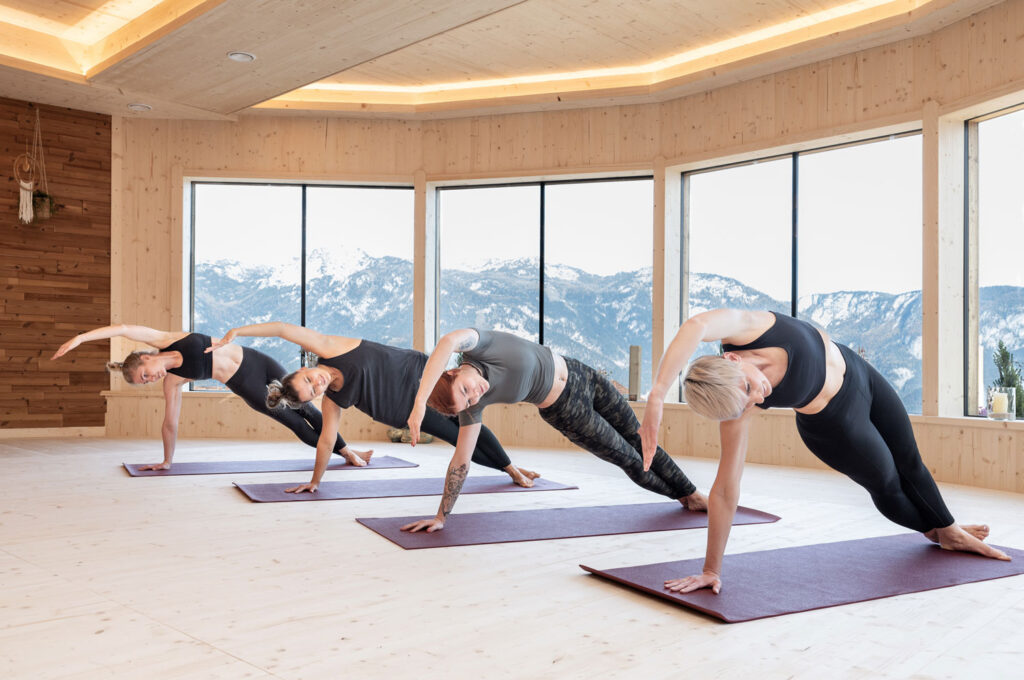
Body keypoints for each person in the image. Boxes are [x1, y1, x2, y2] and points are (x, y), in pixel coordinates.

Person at [639, 308, 1010, 595]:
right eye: (747, 403)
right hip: (835, 427)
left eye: (749, 388)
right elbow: (724, 490)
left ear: (734, 360)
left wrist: (657, 395)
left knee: (910, 461)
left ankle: (946, 529)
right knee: (888, 484)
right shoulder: (740, 407)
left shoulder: (749, 329)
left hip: (861, 375)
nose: (758, 397)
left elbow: (698, 324)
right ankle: (940, 531)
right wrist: (711, 570)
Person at [401, 328, 708, 532]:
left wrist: (419, 403)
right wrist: (441, 516)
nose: (475, 396)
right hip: (567, 411)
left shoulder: (479, 346)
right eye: (468, 401)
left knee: (642, 439)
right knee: (629, 458)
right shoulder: (474, 409)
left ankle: (689, 492)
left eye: (465, 390)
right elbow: (461, 462)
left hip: (582, 375)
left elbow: (447, 341)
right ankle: (687, 496)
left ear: (453, 371)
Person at [207, 322, 538, 493]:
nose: (317, 384)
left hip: (423, 380)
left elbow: (282, 329)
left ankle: (512, 469)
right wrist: (315, 481)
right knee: (458, 438)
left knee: (470, 424)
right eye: (313, 392)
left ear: (305, 368)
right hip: (403, 413)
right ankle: (509, 470)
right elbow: (326, 439)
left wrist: (238, 332)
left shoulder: (331, 347)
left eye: (309, 380)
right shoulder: (334, 399)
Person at [51, 324, 356, 470]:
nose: (150, 380)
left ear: (145, 358)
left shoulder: (167, 340)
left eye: (145, 375)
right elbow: (170, 424)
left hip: (257, 360)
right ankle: (345, 455)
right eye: (145, 383)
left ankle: (347, 451)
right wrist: (167, 461)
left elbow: (123, 328)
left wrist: (80, 337)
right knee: (294, 421)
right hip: (245, 384)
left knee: (305, 407)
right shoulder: (172, 381)